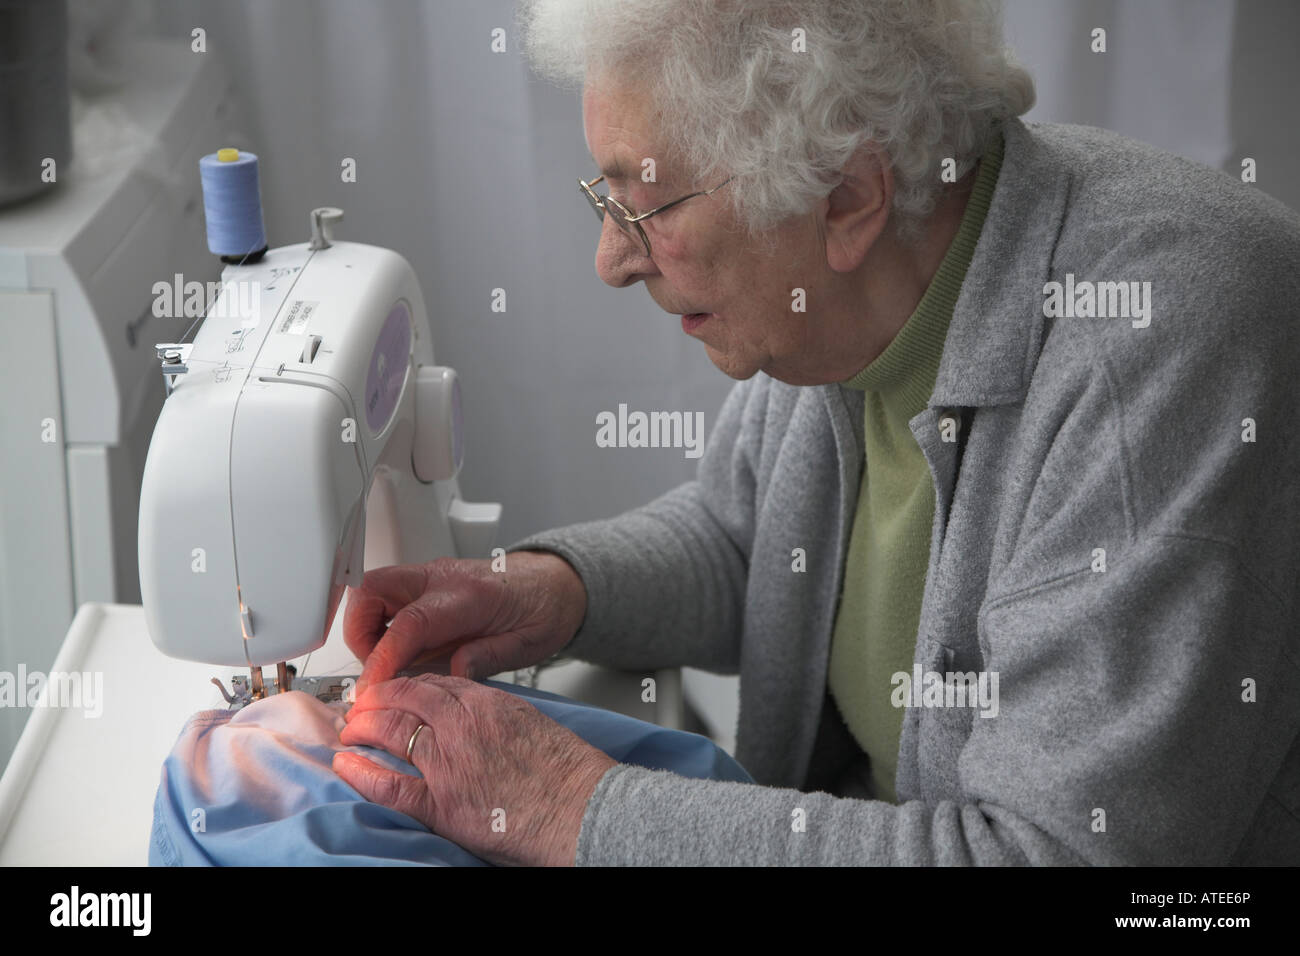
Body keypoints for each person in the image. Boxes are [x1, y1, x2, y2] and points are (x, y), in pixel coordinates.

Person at [332, 0, 1300, 865]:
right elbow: (743, 534)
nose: (611, 259)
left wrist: (567, 806)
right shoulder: (858, 295)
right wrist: (545, 591)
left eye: (648, 203)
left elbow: (1043, 853)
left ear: (846, 195)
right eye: (606, 195)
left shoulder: (1157, 353)